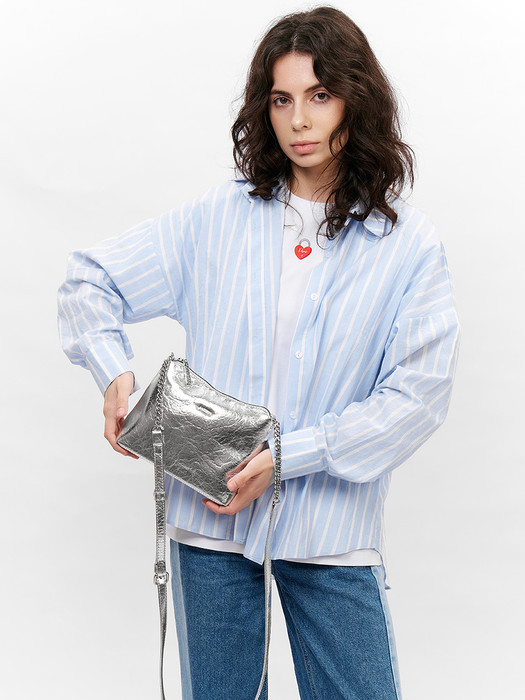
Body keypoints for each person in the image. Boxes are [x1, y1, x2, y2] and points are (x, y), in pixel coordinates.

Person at [57, 6, 460, 699]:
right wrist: (112, 371)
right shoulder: (218, 218)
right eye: (281, 99)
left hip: (329, 525)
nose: (298, 120)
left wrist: (288, 456)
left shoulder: (407, 247)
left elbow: (416, 398)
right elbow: (90, 279)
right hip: (209, 519)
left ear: (355, 101)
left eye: (319, 95)